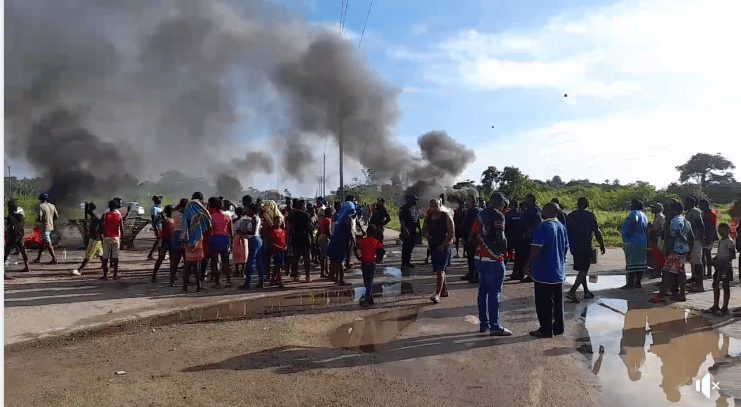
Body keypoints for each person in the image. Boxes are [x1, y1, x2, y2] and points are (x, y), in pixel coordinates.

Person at [524, 203, 569, 338]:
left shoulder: (543, 227)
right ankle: (558, 327)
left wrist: (528, 264)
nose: (541, 211)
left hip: (544, 271)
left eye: (543, 209)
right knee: (557, 301)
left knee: (543, 302)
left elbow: (536, 249)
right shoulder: (561, 226)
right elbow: (566, 248)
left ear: (548, 211)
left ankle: (546, 329)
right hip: (558, 271)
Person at [471, 193, 512, 336]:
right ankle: (495, 326)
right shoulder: (499, 215)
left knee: (483, 291)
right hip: (493, 259)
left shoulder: (480, 214)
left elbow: (472, 236)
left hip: (479, 257)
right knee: (494, 293)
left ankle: (484, 324)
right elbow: (501, 237)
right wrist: (504, 252)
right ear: (500, 202)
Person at [565, 197, 606, 303]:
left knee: (581, 270)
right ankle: (572, 291)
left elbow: (567, 231)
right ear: (587, 205)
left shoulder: (571, 216)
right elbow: (597, 232)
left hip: (574, 246)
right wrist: (602, 244)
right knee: (584, 270)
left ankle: (586, 291)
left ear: (577, 204)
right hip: (586, 245)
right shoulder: (590, 216)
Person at [650, 201, 692, 303]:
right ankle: (681, 294)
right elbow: (692, 237)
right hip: (684, 251)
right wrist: (689, 250)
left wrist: (669, 250)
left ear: (675, 210)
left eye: (670, 209)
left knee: (666, 272)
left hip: (675, 250)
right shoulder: (686, 220)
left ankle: (661, 295)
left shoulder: (674, 221)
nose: (668, 212)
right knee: (681, 272)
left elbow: (672, 238)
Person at [425, 198, 454, 304]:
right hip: (433, 246)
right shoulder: (429, 217)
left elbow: (451, 233)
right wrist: (427, 235)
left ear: (440, 205)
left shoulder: (446, 216)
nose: (433, 208)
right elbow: (424, 229)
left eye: (435, 205)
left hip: (444, 247)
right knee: (439, 269)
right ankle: (444, 290)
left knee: (440, 270)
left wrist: (443, 244)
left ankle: (437, 294)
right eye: (431, 206)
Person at [181, 192, 212, 292]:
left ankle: (184, 286)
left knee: (187, 264)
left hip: (188, 238)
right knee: (197, 264)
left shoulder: (187, 208)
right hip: (198, 238)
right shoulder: (201, 208)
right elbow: (208, 220)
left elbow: (184, 222)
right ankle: (198, 287)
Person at [705, 223, 735, 316]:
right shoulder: (721, 241)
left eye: (722, 230)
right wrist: (715, 259)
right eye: (719, 230)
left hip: (726, 266)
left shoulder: (729, 241)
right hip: (719, 266)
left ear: (727, 230)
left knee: (725, 286)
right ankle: (715, 305)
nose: (720, 232)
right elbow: (721, 253)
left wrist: (721, 261)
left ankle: (725, 307)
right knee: (715, 284)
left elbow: (732, 255)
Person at [620, 199, 649, 289]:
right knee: (640, 263)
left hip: (633, 241)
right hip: (642, 241)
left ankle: (630, 283)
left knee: (631, 262)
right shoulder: (644, 215)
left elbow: (634, 221)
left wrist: (629, 233)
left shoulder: (634, 213)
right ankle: (638, 283)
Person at [354, 224, 384, 307]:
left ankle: (367, 298)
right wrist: (378, 259)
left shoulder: (362, 241)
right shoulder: (376, 241)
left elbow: (355, 248)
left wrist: (358, 257)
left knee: (366, 280)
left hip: (364, 262)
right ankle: (369, 298)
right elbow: (382, 250)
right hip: (372, 263)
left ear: (367, 232)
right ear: (375, 233)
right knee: (369, 281)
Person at [327, 201, 355, 285]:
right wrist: (354, 241)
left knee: (334, 260)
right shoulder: (348, 218)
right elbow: (350, 232)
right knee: (341, 261)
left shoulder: (338, 216)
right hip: (341, 241)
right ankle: (341, 280)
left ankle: (334, 277)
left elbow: (333, 228)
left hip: (334, 240)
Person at [514, 194, 541, 282]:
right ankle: (521, 274)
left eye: (527, 199)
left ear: (532, 200)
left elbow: (536, 223)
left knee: (527, 256)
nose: (526, 201)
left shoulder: (535, 210)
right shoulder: (528, 210)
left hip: (529, 237)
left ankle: (529, 275)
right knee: (521, 256)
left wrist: (529, 232)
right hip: (522, 237)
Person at [71, 202, 103, 276]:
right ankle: (106, 269)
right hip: (96, 239)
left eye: (87, 208)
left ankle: (80, 269)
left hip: (95, 239)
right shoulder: (94, 217)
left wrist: (96, 235)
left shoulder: (95, 218)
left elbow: (100, 227)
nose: (86, 210)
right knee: (100, 254)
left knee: (88, 254)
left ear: (91, 209)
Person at [208, 197, 233, 288]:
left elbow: (210, 231)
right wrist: (231, 242)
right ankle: (228, 281)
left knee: (216, 262)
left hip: (215, 238)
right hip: (225, 239)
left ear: (215, 206)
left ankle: (217, 282)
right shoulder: (228, 216)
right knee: (225, 261)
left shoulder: (212, 217)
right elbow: (231, 231)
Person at [288, 199, 314, 283]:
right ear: (302, 206)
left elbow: (290, 228)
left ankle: (295, 276)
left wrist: (289, 238)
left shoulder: (292, 215)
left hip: (295, 238)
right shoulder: (306, 215)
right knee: (306, 258)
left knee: (295, 258)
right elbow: (309, 228)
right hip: (304, 237)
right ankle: (307, 277)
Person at [240, 203, 264, 289]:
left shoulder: (254, 219)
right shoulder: (257, 218)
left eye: (248, 209)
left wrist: (242, 233)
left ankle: (248, 283)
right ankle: (261, 282)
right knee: (259, 262)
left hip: (253, 240)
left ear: (252, 210)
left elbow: (252, 232)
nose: (247, 211)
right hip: (258, 239)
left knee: (250, 262)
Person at [684, 196, 706, 292]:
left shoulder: (695, 211)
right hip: (692, 240)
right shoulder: (690, 212)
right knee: (693, 262)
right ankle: (695, 281)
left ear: (690, 203)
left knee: (697, 262)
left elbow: (700, 225)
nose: (684, 204)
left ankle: (699, 285)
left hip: (696, 239)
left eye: (686, 202)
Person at [100, 200, 124, 280]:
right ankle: (115, 275)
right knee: (115, 256)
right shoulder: (119, 215)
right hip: (116, 237)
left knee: (105, 257)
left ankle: (105, 275)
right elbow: (122, 227)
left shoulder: (105, 215)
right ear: (116, 206)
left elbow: (101, 226)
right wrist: (122, 238)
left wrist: (101, 235)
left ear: (109, 206)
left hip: (106, 237)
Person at [33, 193, 59, 264]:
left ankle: (54, 259)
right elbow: (56, 216)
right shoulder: (52, 205)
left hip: (45, 228)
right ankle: (38, 258)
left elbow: (40, 218)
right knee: (43, 243)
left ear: (40, 199)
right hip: (50, 226)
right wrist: (50, 220)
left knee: (48, 243)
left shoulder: (41, 206)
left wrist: (37, 220)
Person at [5, 200, 30, 274]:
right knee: (23, 250)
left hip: (13, 235)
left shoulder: (10, 215)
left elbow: (10, 225)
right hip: (21, 234)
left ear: (10, 207)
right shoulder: (21, 214)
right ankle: (27, 266)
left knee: (6, 251)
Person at [460, 196, 482, 283]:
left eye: (468, 201)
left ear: (473, 201)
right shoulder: (470, 210)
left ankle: (475, 276)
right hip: (468, 237)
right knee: (470, 257)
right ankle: (471, 273)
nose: (466, 202)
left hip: (473, 238)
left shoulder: (476, 211)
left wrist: (470, 236)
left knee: (474, 257)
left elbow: (475, 225)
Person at [151, 205, 174, 282]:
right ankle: (171, 276)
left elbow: (155, 224)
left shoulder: (166, 219)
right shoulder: (169, 220)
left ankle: (154, 275)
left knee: (161, 259)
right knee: (170, 260)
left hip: (165, 241)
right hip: (168, 241)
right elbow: (155, 224)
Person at [168, 198, 188, 287]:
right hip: (185, 235)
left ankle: (171, 281)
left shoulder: (174, 212)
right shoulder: (187, 214)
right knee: (187, 260)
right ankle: (185, 282)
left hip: (176, 235)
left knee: (175, 261)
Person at [399, 194, 421, 270]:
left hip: (413, 231)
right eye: (414, 200)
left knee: (411, 247)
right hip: (407, 231)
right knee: (405, 247)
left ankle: (407, 262)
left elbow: (417, 219)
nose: (415, 201)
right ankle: (403, 263)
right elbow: (402, 220)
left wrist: (419, 230)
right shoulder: (404, 208)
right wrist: (405, 230)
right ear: (410, 200)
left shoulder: (414, 208)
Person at [699, 199, 718, 279]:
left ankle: (708, 273)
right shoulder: (704, 213)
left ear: (705, 205)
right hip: (705, 237)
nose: (699, 206)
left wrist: (707, 238)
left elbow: (713, 228)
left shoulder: (711, 214)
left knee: (707, 255)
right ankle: (705, 273)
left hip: (709, 237)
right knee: (703, 256)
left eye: (701, 205)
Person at [368, 197, 391, 263]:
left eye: (379, 201)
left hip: (378, 229)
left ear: (382, 202)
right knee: (372, 243)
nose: (378, 202)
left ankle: (380, 258)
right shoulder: (375, 208)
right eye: (377, 201)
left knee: (379, 244)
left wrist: (381, 224)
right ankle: (373, 257)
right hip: (372, 228)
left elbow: (388, 219)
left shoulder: (383, 209)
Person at [269, 216, 287, 288]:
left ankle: (273, 279)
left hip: (283, 250)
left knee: (279, 266)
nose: (278, 223)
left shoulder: (283, 231)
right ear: (274, 222)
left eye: (279, 221)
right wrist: (278, 247)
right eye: (276, 221)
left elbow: (284, 241)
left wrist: (285, 246)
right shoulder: (273, 231)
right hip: (276, 251)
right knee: (278, 266)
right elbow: (271, 242)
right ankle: (280, 281)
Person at [648, 203, 667, 272]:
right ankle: (659, 268)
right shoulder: (657, 216)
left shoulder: (660, 216)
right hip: (655, 237)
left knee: (659, 254)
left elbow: (662, 227)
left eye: (654, 208)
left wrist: (655, 233)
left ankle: (662, 270)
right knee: (656, 254)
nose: (652, 209)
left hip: (658, 238)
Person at [504, 199, 522, 265]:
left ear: (511, 205)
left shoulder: (506, 214)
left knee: (507, 253)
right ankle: (515, 271)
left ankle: (504, 267)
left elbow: (504, 226)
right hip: (519, 238)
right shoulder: (521, 214)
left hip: (509, 237)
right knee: (518, 256)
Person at [317, 207, 332, 278]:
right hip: (325, 238)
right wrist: (331, 237)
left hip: (321, 237)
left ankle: (326, 271)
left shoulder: (323, 220)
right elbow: (329, 230)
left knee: (325, 256)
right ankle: (323, 272)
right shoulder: (328, 220)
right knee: (324, 256)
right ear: (329, 213)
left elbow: (319, 229)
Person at [147, 195, 163, 260]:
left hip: (160, 226)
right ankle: (158, 255)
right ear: (155, 200)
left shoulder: (160, 207)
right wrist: (155, 227)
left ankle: (151, 254)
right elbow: (153, 219)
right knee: (159, 241)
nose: (160, 200)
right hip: (157, 226)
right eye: (159, 199)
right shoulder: (154, 209)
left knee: (158, 241)